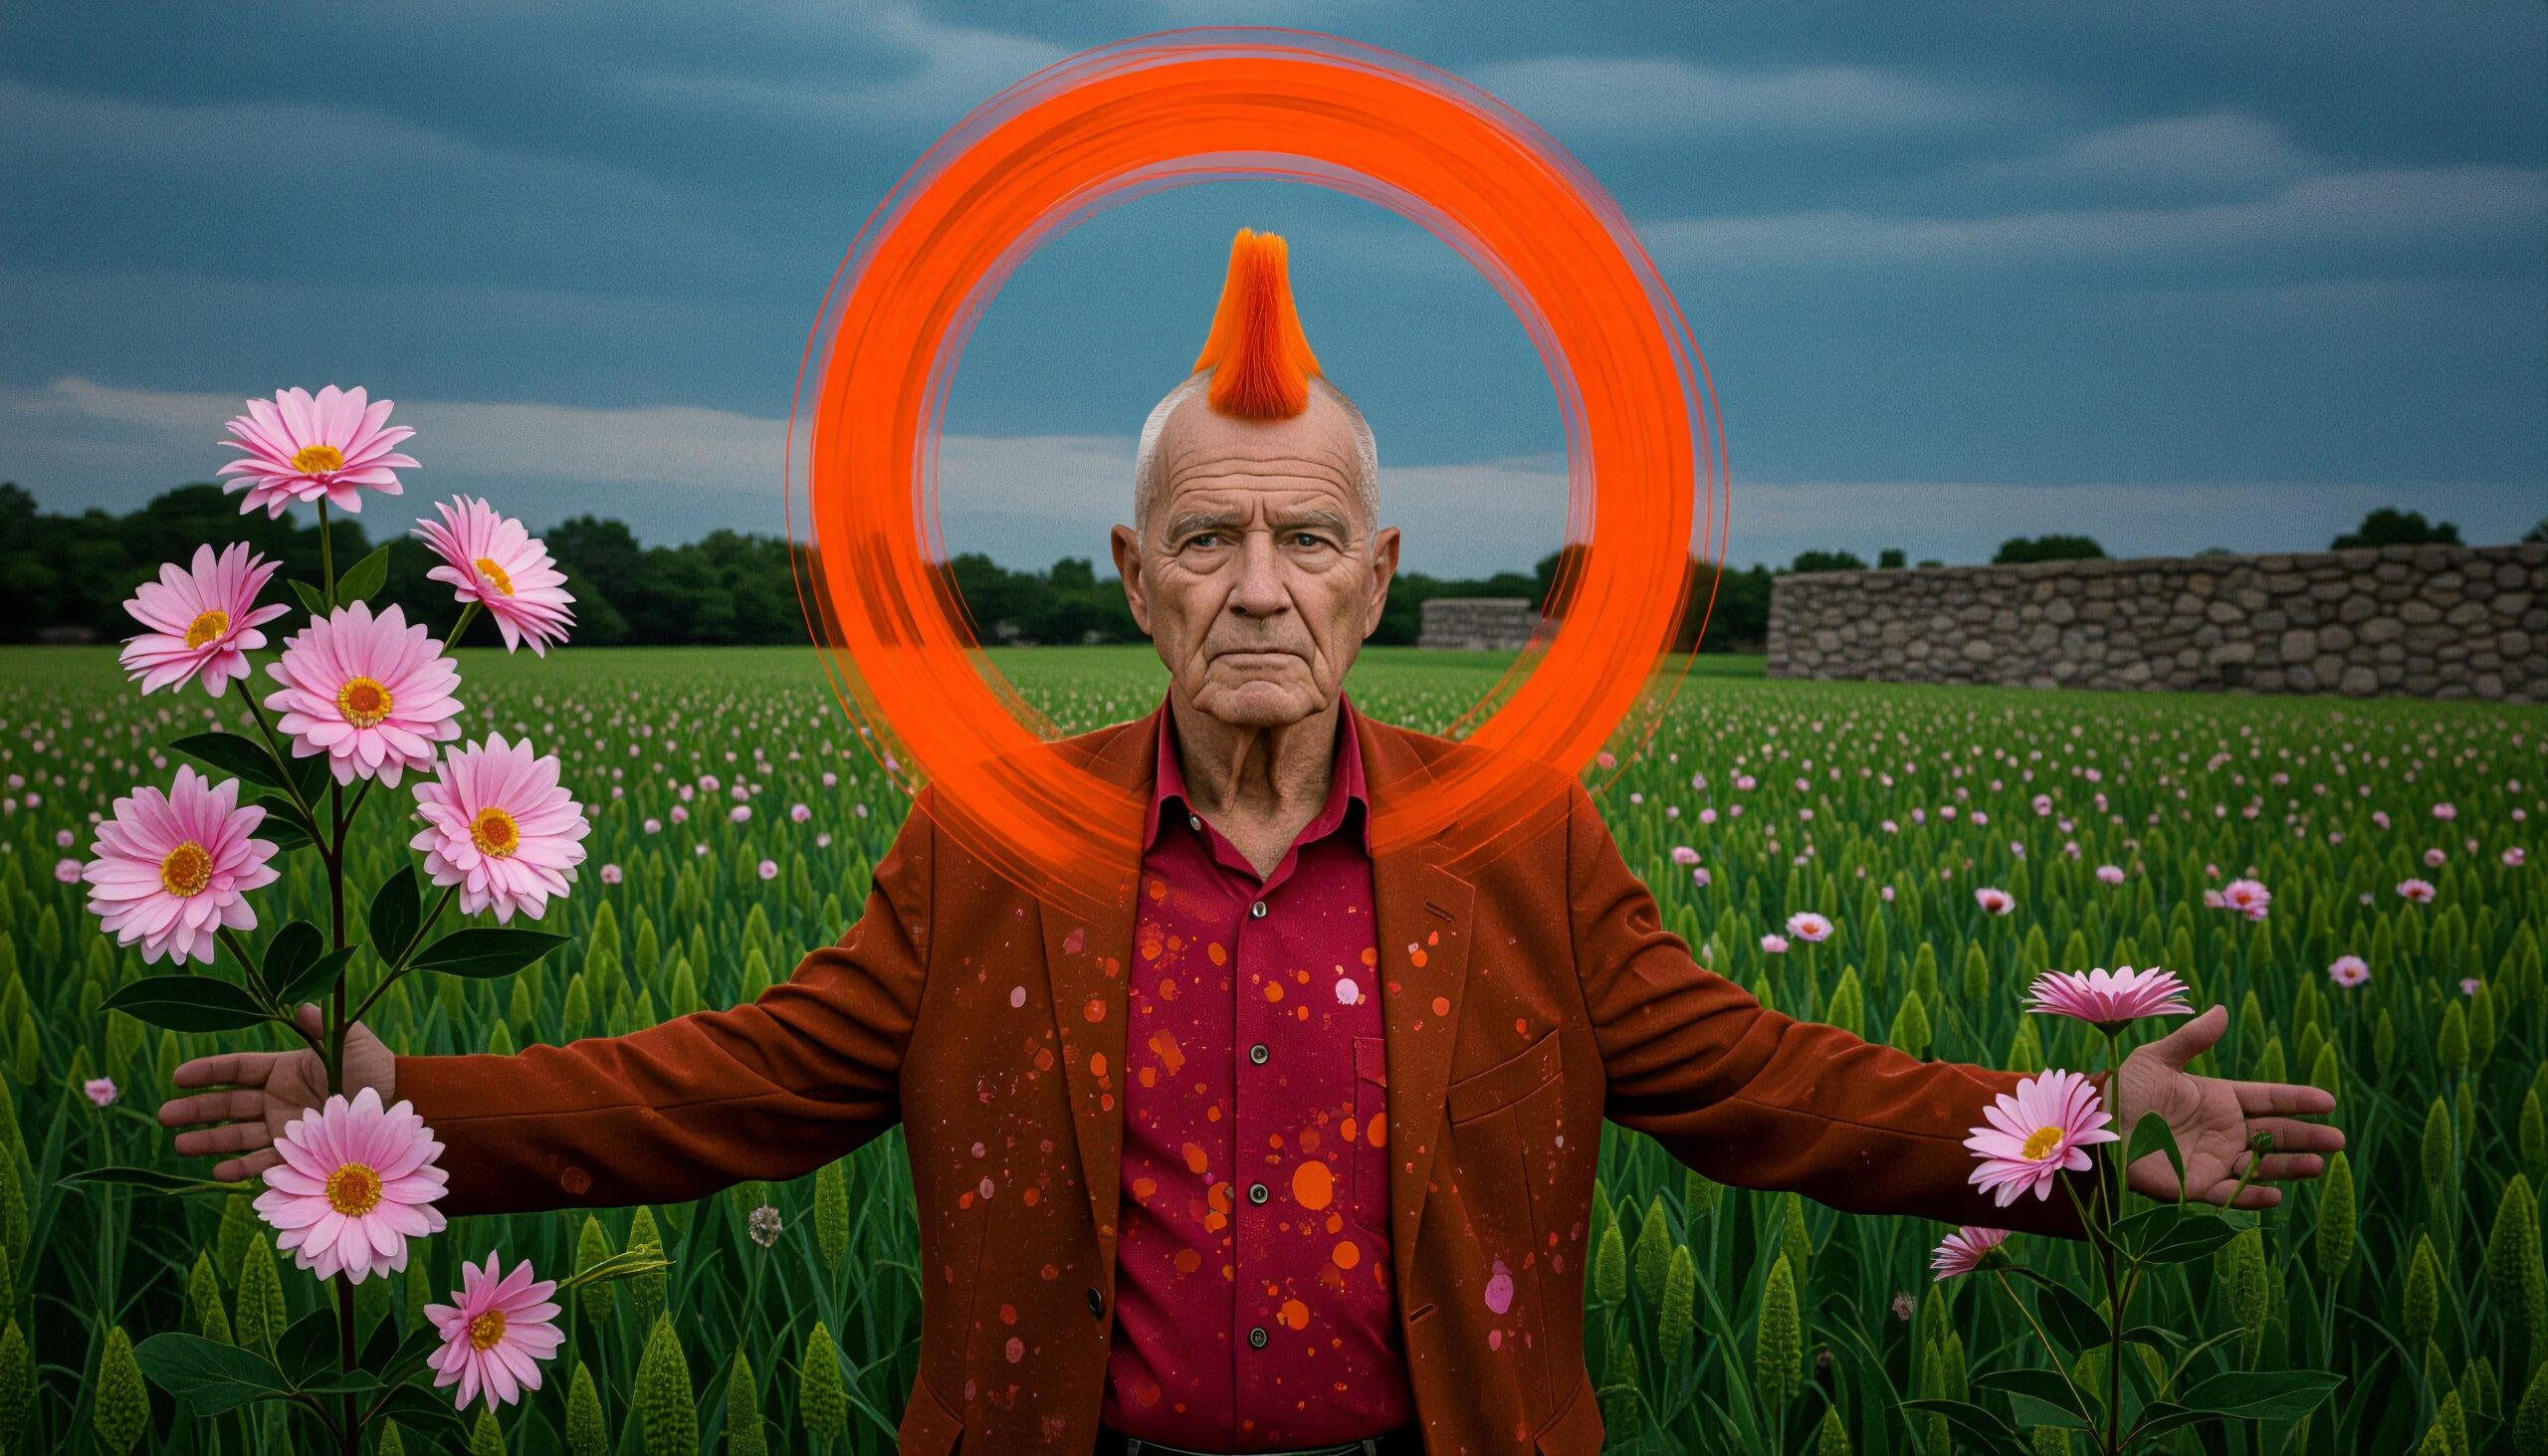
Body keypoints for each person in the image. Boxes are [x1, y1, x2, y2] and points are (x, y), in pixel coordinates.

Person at [160, 228, 2343, 1456]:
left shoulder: (1517, 843)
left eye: (1306, 539)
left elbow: (1759, 1081)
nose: (1259, 586)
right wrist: (408, 1102)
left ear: (1376, 574)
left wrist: (2057, 1138)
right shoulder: (994, 842)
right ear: (1131, 574)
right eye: (1208, 537)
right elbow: (737, 1080)